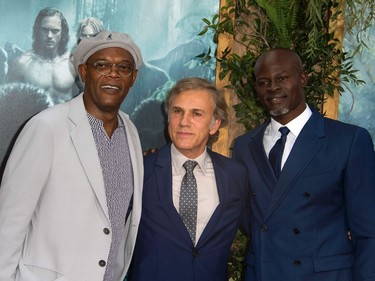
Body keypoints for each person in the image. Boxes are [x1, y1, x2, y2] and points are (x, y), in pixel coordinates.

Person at [0, 30, 144, 281]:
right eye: (102, 65)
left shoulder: (131, 132)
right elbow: (8, 225)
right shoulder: (47, 127)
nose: (113, 73)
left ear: (133, 78)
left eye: (123, 67)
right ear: (84, 72)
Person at [232, 48, 375, 281]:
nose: (272, 88)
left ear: (303, 78)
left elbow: (369, 232)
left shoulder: (348, 141)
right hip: (263, 272)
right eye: (263, 82)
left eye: (282, 78)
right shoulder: (244, 147)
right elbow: (248, 218)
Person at [129, 77, 250, 281]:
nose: (184, 121)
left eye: (196, 113)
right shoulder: (140, 170)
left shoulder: (235, 175)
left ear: (214, 125)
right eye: (177, 111)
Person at [5, 7, 79, 105]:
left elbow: (89, 100)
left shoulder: (74, 63)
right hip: (33, 119)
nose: (49, 35)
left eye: (55, 31)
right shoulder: (22, 63)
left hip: (64, 119)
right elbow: (7, 101)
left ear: (63, 33)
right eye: (45, 30)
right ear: (37, 31)